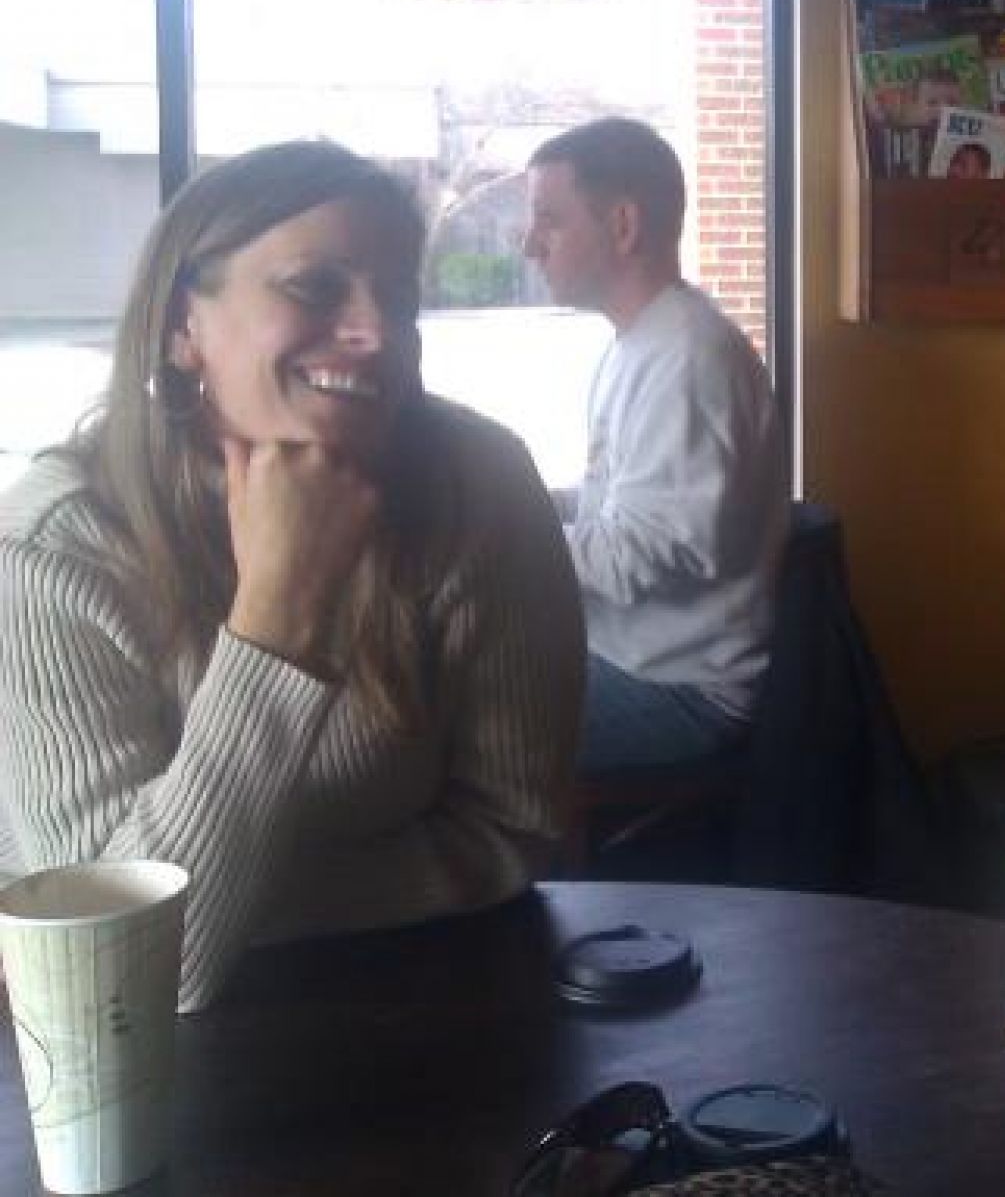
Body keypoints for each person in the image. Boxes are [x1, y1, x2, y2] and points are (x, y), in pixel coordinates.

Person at [0, 140, 584, 1013]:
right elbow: (113, 970)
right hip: (105, 1062)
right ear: (183, 326)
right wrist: (278, 621)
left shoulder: (479, 482)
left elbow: (513, 825)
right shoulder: (59, 546)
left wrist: (227, 906)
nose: (375, 333)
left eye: (398, 298)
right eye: (314, 287)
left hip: (418, 1000)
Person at [522, 117, 784, 772]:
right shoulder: (642, 343)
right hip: (633, 656)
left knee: (449, 728)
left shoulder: (687, 358)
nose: (530, 245)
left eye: (550, 220)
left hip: (684, 691)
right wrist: (522, 501)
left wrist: (500, 540)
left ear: (623, 226)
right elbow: (620, 505)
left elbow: (646, 550)